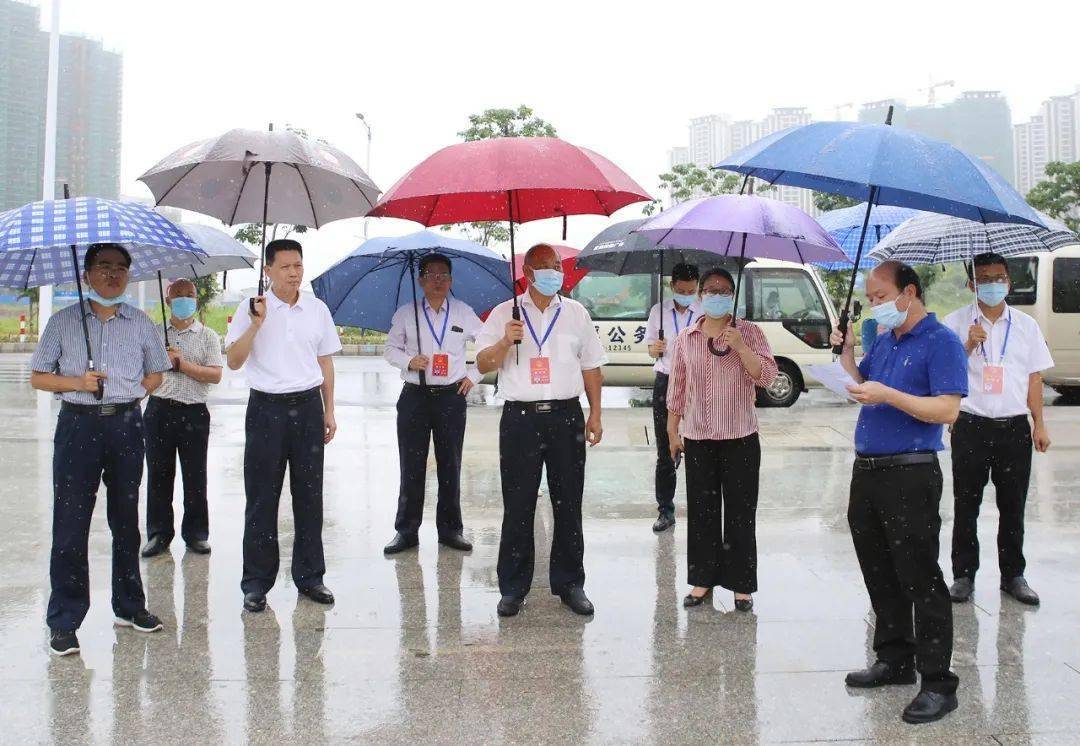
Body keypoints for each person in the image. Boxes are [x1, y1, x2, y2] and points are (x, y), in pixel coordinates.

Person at [831, 260, 967, 724]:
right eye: (870, 300)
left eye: (881, 297)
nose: (875, 307)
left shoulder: (941, 342)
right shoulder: (884, 340)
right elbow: (862, 384)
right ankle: (894, 658)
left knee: (921, 577)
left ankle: (938, 683)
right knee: (881, 572)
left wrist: (889, 395)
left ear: (909, 292)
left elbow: (947, 409)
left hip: (910, 471)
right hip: (867, 469)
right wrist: (846, 354)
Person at [30, 243, 172, 656]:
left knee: (126, 521)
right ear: (86, 274)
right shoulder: (63, 322)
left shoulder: (140, 322)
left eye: (121, 269)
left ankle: (130, 605)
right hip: (78, 425)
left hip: (127, 425)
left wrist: (131, 396)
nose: (113, 275)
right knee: (71, 524)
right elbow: (39, 376)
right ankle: (64, 620)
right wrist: (78, 383)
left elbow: (158, 371)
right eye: (103, 267)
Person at [475, 243, 607, 618]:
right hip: (520, 418)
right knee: (518, 504)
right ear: (528, 274)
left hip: (566, 417)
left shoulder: (576, 313)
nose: (555, 272)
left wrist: (595, 414)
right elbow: (483, 361)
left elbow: (592, 366)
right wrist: (505, 340)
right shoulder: (505, 313)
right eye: (546, 267)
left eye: (558, 265)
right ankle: (513, 588)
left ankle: (570, 584)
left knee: (569, 501)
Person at [225, 239, 341, 613]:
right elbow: (234, 362)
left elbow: (325, 362)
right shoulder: (251, 309)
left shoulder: (317, 309)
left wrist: (329, 409)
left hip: (307, 408)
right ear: (268, 271)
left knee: (309, 496)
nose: (294, 273)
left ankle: (310, 577)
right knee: (262, 498)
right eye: (286, 266)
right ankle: (256, 583)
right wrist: (256, 325)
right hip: (266, 411)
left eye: (298, 265)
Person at [942, 252, 1053, 607]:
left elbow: (1034, 377)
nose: (993, 284)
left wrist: (1040, 424)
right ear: (972, 283)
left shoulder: (1026, 326)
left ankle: (1013, 575)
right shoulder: (955, 323)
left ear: (1009, 280)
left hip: (1013, 428)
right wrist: (969, 345)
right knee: (966, 505)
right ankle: (963, 575)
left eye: (999, 277)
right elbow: (944, 374)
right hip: (970, 425)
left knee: (1013, 504)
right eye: (985, 278)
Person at [666, 267, 778, 611]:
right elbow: (678, 386)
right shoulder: (687, 337)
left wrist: (742, 347)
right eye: (711, 290)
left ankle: (741, 585)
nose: (717, 295)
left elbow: (767, 377)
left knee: (741, 513)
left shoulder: (750, 332)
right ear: (700, 296)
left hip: (740, 437)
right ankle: (702, 580)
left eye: (724, 290)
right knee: (702, 511)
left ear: (733, 295)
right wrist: (673, 430)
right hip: (699, 437)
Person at [382, 253, 482, 555]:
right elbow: (390, 349)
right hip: (415, 397)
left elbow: (490, 343)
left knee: (450, 465)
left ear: (451, 281)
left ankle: (451, 530)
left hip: (452, 398)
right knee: (411, 466)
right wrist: (409, 360)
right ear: (421, 280)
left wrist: (474, 375)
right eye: (431, 275)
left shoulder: (463, 313)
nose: (437, 280)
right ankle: (406, 532)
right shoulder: (405, 313)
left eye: (443, 275)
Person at [141, 279, 223, 558]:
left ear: (196, 301)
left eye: (189, 295)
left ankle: (197, 534)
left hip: (194, 413)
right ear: (167, 301)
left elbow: (215, 374)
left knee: (195, 477)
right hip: (159, 411)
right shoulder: (154, 334)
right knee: (159, 476)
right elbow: (143, 374)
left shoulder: (208, 336)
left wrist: (181, 364)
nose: (184, 300)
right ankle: (158, 534)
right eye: (178, 296)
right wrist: (162, 362)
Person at [644, 262, 701, 532]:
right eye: (681, 290)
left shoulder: (703, 311)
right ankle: (665, 510)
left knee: (700, 448)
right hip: (666, 382)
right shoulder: (659, 311)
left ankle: (703, 509)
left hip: (699, 384)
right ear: (672, 286)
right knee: (666, 449)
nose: (686, 295)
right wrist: (655, 348)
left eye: (691, 290)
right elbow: (650, 349)